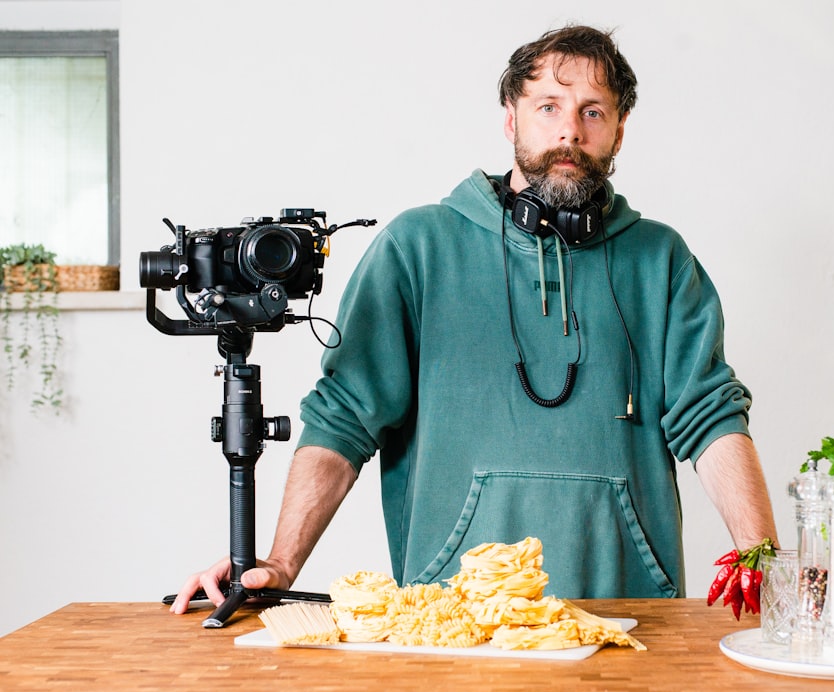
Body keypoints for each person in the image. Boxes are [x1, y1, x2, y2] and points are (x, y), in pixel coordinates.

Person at [171, 24, 777, 613]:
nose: (570, 129)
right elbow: (344, 417)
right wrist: (278, 565)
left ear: (619, 132)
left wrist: (763, 558)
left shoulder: (661, 259)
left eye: (593, 111)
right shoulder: (418, 247)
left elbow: (711, 418)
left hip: (630, 611)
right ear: (511, 119)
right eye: (549, 106)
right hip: (453, 613)